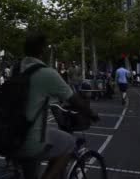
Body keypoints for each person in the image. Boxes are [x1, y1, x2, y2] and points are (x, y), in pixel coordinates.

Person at [15, 30, 99, 179]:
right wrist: (91, 113)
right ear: (42, 51)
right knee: (68, 144)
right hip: (30, 137)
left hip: (10, 133)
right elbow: (75, 100)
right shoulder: (47, 73)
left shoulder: (16, 69)